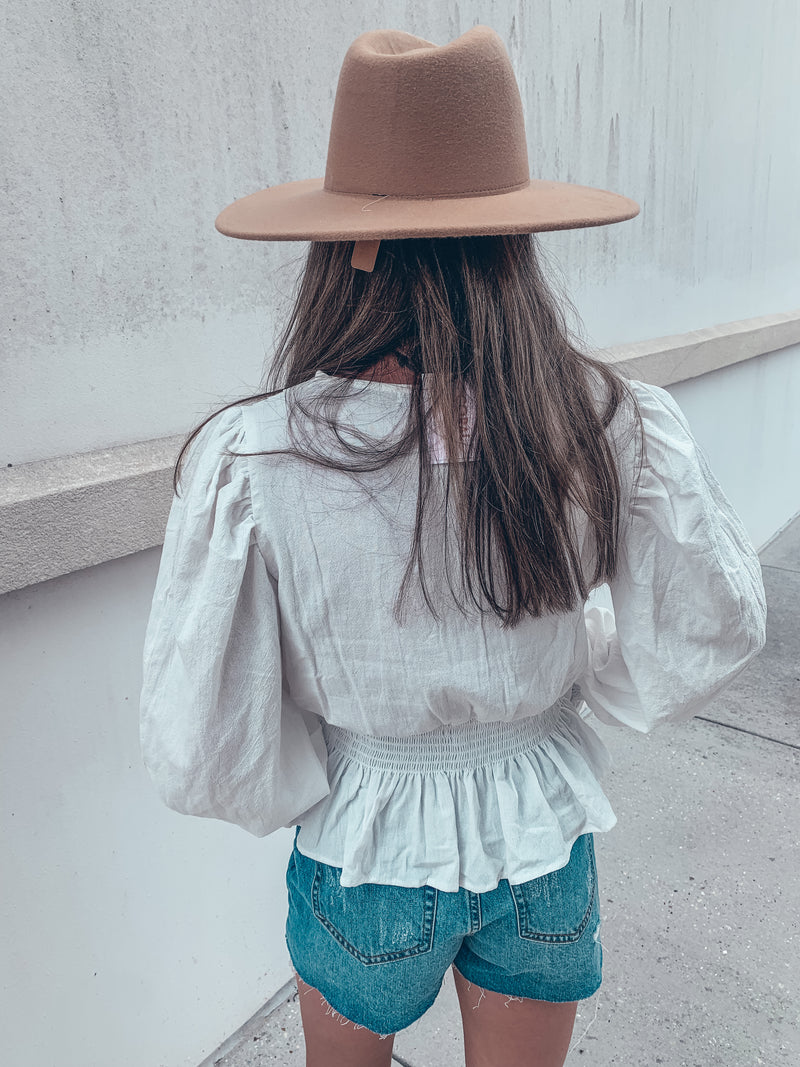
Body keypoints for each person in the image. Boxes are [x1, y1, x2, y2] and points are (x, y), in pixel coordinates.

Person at [139, 26, 767, 1067]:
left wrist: (301, 780)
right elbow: (712, 615)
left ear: (339, 250)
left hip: (365, 845)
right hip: (542, 825)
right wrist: (586, 683)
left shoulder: (254, 456)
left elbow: (200, 719)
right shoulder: (607, 419)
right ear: (511, 239)